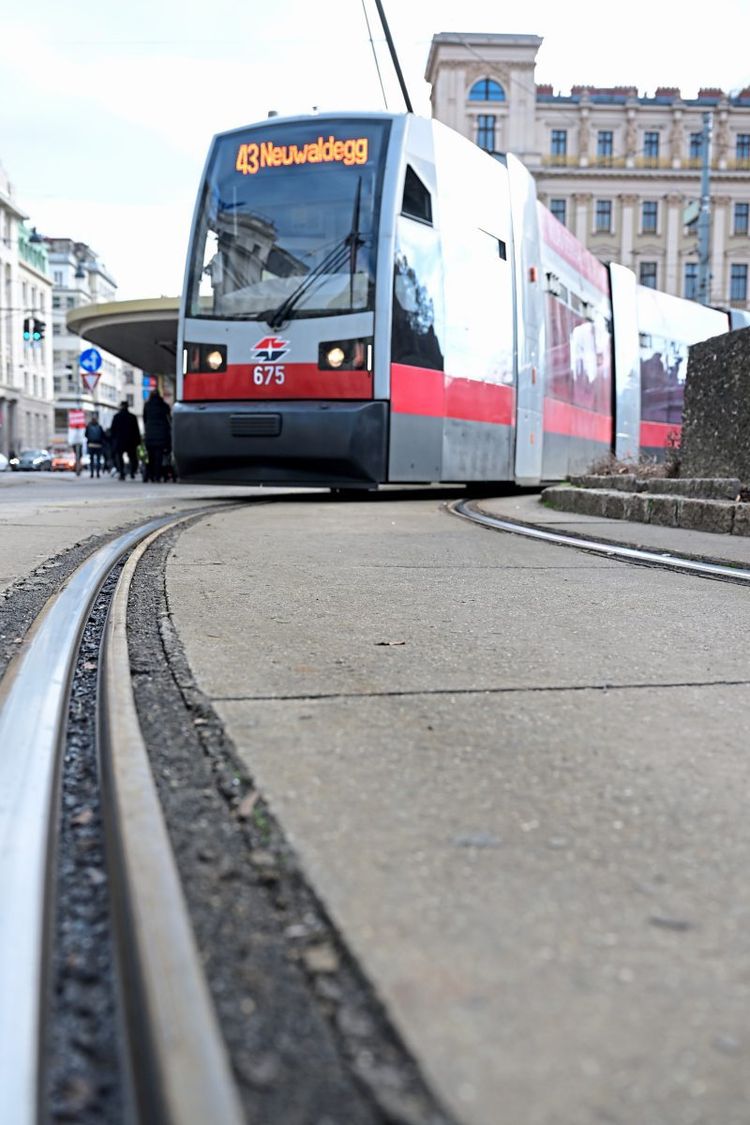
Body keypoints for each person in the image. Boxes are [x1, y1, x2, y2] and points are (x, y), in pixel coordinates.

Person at [143, 388, 172, 483]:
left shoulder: (147, 406)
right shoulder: (164, 406)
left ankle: (151, 475)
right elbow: (169, 420)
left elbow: (145, 420)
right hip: (162, 435)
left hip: (150, 435)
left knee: (151, 457)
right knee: (159, 457)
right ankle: (158, 475)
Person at [109, 400, 141, 480]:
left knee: (119, 457)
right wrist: (138, 441)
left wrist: (113, 440)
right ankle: (132, 472)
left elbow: (112, 430)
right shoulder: (132, 417)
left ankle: (122, 473)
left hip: (120, 441)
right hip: (130, 441)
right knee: (132, 457)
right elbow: (136, 430)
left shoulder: (117, 417)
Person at [84, 413, 105, 478]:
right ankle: (98, 473)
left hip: (91, 445)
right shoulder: (99, 427)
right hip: (99, 445)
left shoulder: (88, 426)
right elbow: (103, 436)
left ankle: (92, 473)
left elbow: (86, 435)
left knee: (92, 460)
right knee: (98, 460)